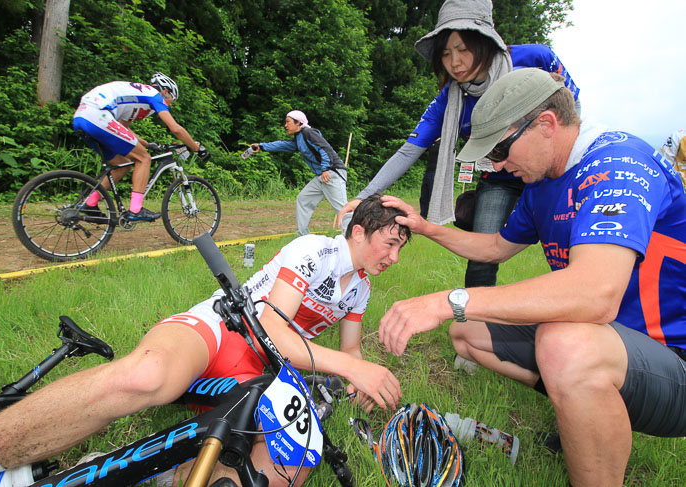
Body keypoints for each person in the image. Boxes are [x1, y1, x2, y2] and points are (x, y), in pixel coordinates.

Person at [0, 194, 408, 487]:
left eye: (401, 249)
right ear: (358, 231)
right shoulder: (314, 249)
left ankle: (166, 476)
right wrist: (353, 368)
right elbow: (273, 328)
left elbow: (350, 349)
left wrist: (356, 376)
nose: (394, 256)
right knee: (145, 376)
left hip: (262, 373)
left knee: (295, 462)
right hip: (222, 330)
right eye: (388, 243)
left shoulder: (361, 287)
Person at [377, 68, 686, 487]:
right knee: (468, 334)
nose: (498, 164)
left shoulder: (620, 165)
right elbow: (494, 248)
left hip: (671, 359)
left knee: (566, 344)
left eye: (500, 148)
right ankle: (583, 404)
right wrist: (427, 227)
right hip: (607, 340)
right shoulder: (543, 182)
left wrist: (445, 299)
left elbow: (596, 294)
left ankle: (584, 393)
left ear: (545, 124)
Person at [336, 0, 580, 288]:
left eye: (463, 49)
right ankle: (473, 318)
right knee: (483, 256)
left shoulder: (537, 57)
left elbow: (571, 108)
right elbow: (409, 150)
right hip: (499, 176)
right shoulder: (448, 102)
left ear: (486, 42)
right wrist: (366, 195)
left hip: (549, 168)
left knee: (566, 240)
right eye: (446, 53)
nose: (454, 63)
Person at [73, 72, 204, 221]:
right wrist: (196, 148)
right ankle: (136, 210)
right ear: (166, 92)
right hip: (98, 116)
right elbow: (175, 129)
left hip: (82, 117)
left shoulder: (136, 98)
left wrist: (148, 144)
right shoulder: (155, 95)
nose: (171, 104)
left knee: (122, 164)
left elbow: (123, 129)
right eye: (172, 99)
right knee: (144, 159)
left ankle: (90, 203)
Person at [252, 110, 350, 235]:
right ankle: (303, 236)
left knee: (342, 209)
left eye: (288, 122)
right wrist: (262, 146)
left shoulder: (309, 133)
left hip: (332, 173)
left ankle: (353, 239)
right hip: (321, 176)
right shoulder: (299, 138)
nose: (285, 125)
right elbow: (283, 145)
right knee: (303, 199)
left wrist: (326, 168)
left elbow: (325, 149)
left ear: (298, 122)